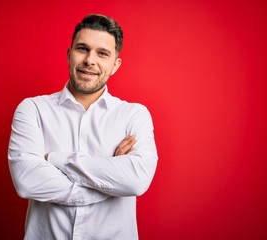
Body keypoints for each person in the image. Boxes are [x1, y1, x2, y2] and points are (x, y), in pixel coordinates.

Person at [8, 13, 158, 240]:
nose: (90, 60)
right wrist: (109, 182)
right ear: (69, 54)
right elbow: (27, 181)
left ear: (115, 64)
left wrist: (55, 160)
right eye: (82, 49)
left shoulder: (134, 115)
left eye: (102, 53)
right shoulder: (32, 109)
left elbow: (136, 180)